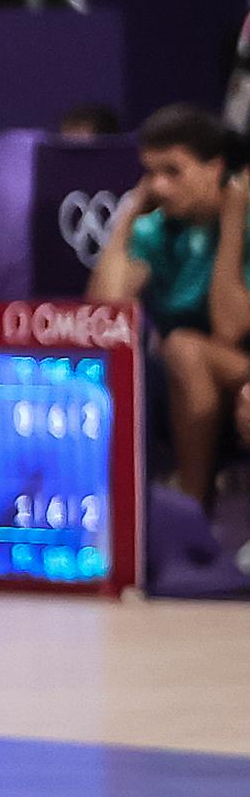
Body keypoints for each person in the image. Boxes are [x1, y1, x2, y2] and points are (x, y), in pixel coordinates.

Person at [90, 104, 247, 501]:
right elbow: (102, 317)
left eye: (172, 172)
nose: (158, 187)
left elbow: (231, 329)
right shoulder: (156, 229)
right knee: (183, 350)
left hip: (239, 363)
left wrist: (231, 224)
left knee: (183, 347)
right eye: (150, 173)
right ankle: (194, 517)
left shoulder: (244, 221)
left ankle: (194, 507)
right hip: (195, 374)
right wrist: (127, 215)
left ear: (215, 168)